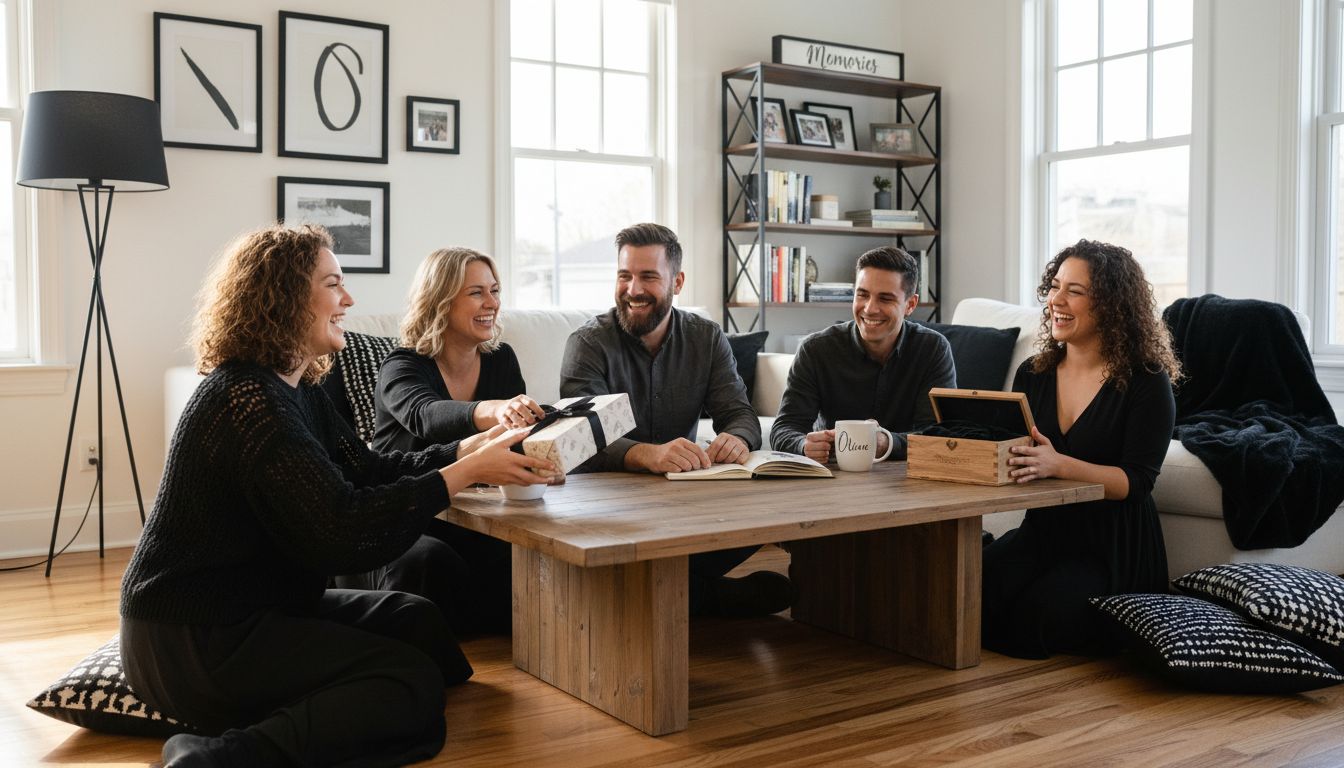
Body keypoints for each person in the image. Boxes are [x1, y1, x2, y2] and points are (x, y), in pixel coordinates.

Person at [119, 224, 556, 767]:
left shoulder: (295, 388)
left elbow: (370, 468)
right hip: (195, 637)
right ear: (283, 297)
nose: (349, 299)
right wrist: (465, 472)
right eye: (333, 284)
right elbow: (341, 531)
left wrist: (469, 447)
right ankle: (218, 757)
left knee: (415, 620)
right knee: (408, 679)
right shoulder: (247, 399)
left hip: (258, 609)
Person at [559, 222, 792, 617]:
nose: (633, 289)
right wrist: (646, 455)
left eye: (648, 277)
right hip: (604, 507)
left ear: (677, 281)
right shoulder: (588, 343)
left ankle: (677, 597)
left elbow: (740, 414)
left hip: (680, 503)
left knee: (771, 512)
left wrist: (736, 437)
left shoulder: (706, 337)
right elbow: (580, 439)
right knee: (620, 570)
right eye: (624, 276)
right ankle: (713, 600)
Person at [983, 239, 1180, 658]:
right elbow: (1006, 449)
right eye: (1054, 286)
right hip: (1043, 535)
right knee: (971, 597)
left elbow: (1137, 482)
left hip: (1111, 549)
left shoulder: (1146, 379)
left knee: (1031, 625)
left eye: (1074, 291)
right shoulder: (1033, 373)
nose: (1056, 300)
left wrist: (1060, 464)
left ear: (1112, 304)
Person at [339, 247, 546, 635]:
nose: (492, 303)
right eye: (476, 293)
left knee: (533, 557)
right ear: (440, 301)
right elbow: (427, 416)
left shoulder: (501, 359)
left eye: (495, 290)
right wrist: (494, 410)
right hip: (404, 516)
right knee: (428, 561)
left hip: (470, 517)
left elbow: (515, 441)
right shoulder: (401, 365)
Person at [770, 246, 955, 463]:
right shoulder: (815, 350)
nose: (869, 308)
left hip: (908, 478)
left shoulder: (932, 349)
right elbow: (783, 430)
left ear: (910, 305)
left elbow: (939, 435)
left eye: (885, 299)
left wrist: (887, 442)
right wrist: (804, 446)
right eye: (862, 295)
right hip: (834, 476)